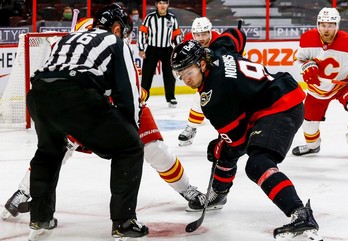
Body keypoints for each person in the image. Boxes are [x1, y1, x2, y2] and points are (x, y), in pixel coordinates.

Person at [1, 16, 207, 221]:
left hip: (106, 105)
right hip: (87, 104)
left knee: (153, 148)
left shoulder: (109, 42)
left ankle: (186, 189)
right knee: (59, 150)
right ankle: (24, 192)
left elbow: (133, 95)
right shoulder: (105, 40)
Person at [170, 29, 323, 241]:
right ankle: (219, 194)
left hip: (280, 107)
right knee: (224, 147)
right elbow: (236, 34)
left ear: (202, 64)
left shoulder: (213, 98)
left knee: (256, 163)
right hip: (270, 98)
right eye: (180, 74)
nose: (185, 79)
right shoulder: (218, 49)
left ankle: (301, 216)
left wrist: (220, 147)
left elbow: (239, 143)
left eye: (188, 72)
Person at [22, 4, 149, 241]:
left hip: (38, 95)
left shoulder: (70, 37)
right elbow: (127, 94)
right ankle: (124, 224)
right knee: (131, 148)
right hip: (75, 95)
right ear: (116, 27)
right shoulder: (115, 40)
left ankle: (40, 219)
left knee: (49, 151)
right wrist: (128, 131)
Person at [291, 7, 348, 165]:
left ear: (337, 25)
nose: (326, 29)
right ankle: (312, 146)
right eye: (323, 25)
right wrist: (306, 66)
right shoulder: (308, 39)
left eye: (330, 25)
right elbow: (297, 59)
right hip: (318, 89)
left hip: (344, 84)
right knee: (308, 125)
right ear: (318, 24)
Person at [178, 17, 220, 146]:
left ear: (210, 32)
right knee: (201, 98)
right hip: (203, 73)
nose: (201, 37)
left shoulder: (219, 40)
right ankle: (191, 127)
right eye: (197, 34)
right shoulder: (188, 41)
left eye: (204, 34)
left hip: (221, 73)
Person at [138, 0, 182, 107]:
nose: (162, 5)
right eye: (160, 3)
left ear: (168, 4)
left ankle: (171, 97)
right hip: (152, 49)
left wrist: (178, 49)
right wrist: (141, 48)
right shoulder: (150, 17)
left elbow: (177, 35)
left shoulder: (172, 18)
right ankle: (143, 97)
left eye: (164, 3)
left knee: (170, 75)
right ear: (156, 4)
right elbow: (142, 32)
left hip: (167, 49)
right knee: (147, 74)